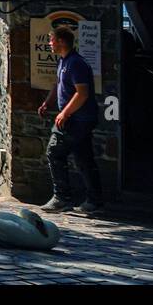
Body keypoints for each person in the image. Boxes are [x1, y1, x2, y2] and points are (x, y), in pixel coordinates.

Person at [40, 26, 103, 214]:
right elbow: (58, 84)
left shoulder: (76, 63)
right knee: (84, 159)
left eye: (52, 40)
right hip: (76, 118)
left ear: (61, 41)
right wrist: (48, 102)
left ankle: (62, 198)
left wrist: (64, 113)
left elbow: (82, 93)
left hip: (77, 119)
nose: (49, 44)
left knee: (54, 152)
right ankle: (94, 201)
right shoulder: (64, 61)